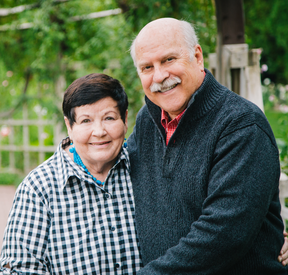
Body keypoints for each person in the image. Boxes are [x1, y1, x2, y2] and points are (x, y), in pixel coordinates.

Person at [128, 17, 288, 274]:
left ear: (197, 56)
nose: (159, 76)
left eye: (169, 60)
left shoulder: (241, 126)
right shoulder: (147, 121)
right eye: (147, 67)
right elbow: (112, 164)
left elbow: (224, 235)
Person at [0, 73, 142, 274]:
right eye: (86, 121)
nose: (99, 131)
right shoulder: (39, 188)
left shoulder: (144, 168)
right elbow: (21, 269)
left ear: (125, 119)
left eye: (109, 118)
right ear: (69, 126)